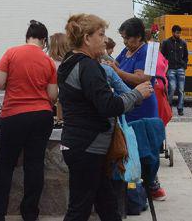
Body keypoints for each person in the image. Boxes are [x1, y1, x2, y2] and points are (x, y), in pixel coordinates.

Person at [57, 13, 152, 221]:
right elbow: (108, 106)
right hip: (87, 147)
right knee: (79, 209)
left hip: (84, 145)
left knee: (107, 205)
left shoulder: (70, 62)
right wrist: (137, 94)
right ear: (87, 38)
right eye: (101, 34)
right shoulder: (88, 67)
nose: (104, 39)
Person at [0, 21, 58, 221]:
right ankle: (30, 214)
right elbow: (53, 95)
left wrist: (13, 85)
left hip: (14, 115)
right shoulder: (48, 61)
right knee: (35, 164)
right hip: (42, 116)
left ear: (27, 37)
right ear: (44, 40)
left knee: (5, 165)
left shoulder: (12, 53)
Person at [109, 18, 164, 200]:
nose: (125, 42)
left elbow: (143, 79)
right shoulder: (127, 51)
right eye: (123, 38)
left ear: (138, 37)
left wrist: (117, 72)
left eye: (128, 39)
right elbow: (117, 65)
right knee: (130, 148)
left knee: (146, 148)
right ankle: (134, 188)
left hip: (143, 107)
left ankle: (152, 185)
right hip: (128, 105)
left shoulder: (148, 52)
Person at [160, 24, 188, 116]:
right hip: (170, 68)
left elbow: (186, 56)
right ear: (172, 33)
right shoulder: (166, 42)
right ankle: (169, 105)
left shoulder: (183, 43)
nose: (178, 34)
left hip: (180, 68)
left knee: (181, 89)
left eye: (180, 33)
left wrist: (184, 65)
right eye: (177, 33)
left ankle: (180, 108)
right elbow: (162, 55)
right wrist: (165, 66)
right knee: (172, 87)